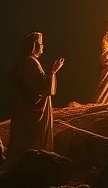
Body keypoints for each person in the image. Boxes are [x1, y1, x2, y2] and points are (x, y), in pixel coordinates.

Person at [5, 31, 64, 168]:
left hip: (23, 110)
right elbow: (38, 90)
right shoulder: (30, 63)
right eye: (41, 44)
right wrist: (53, 72)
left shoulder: (24, 62)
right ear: (34, 45)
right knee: (31, 142)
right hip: (31, 115)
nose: (43, 46)